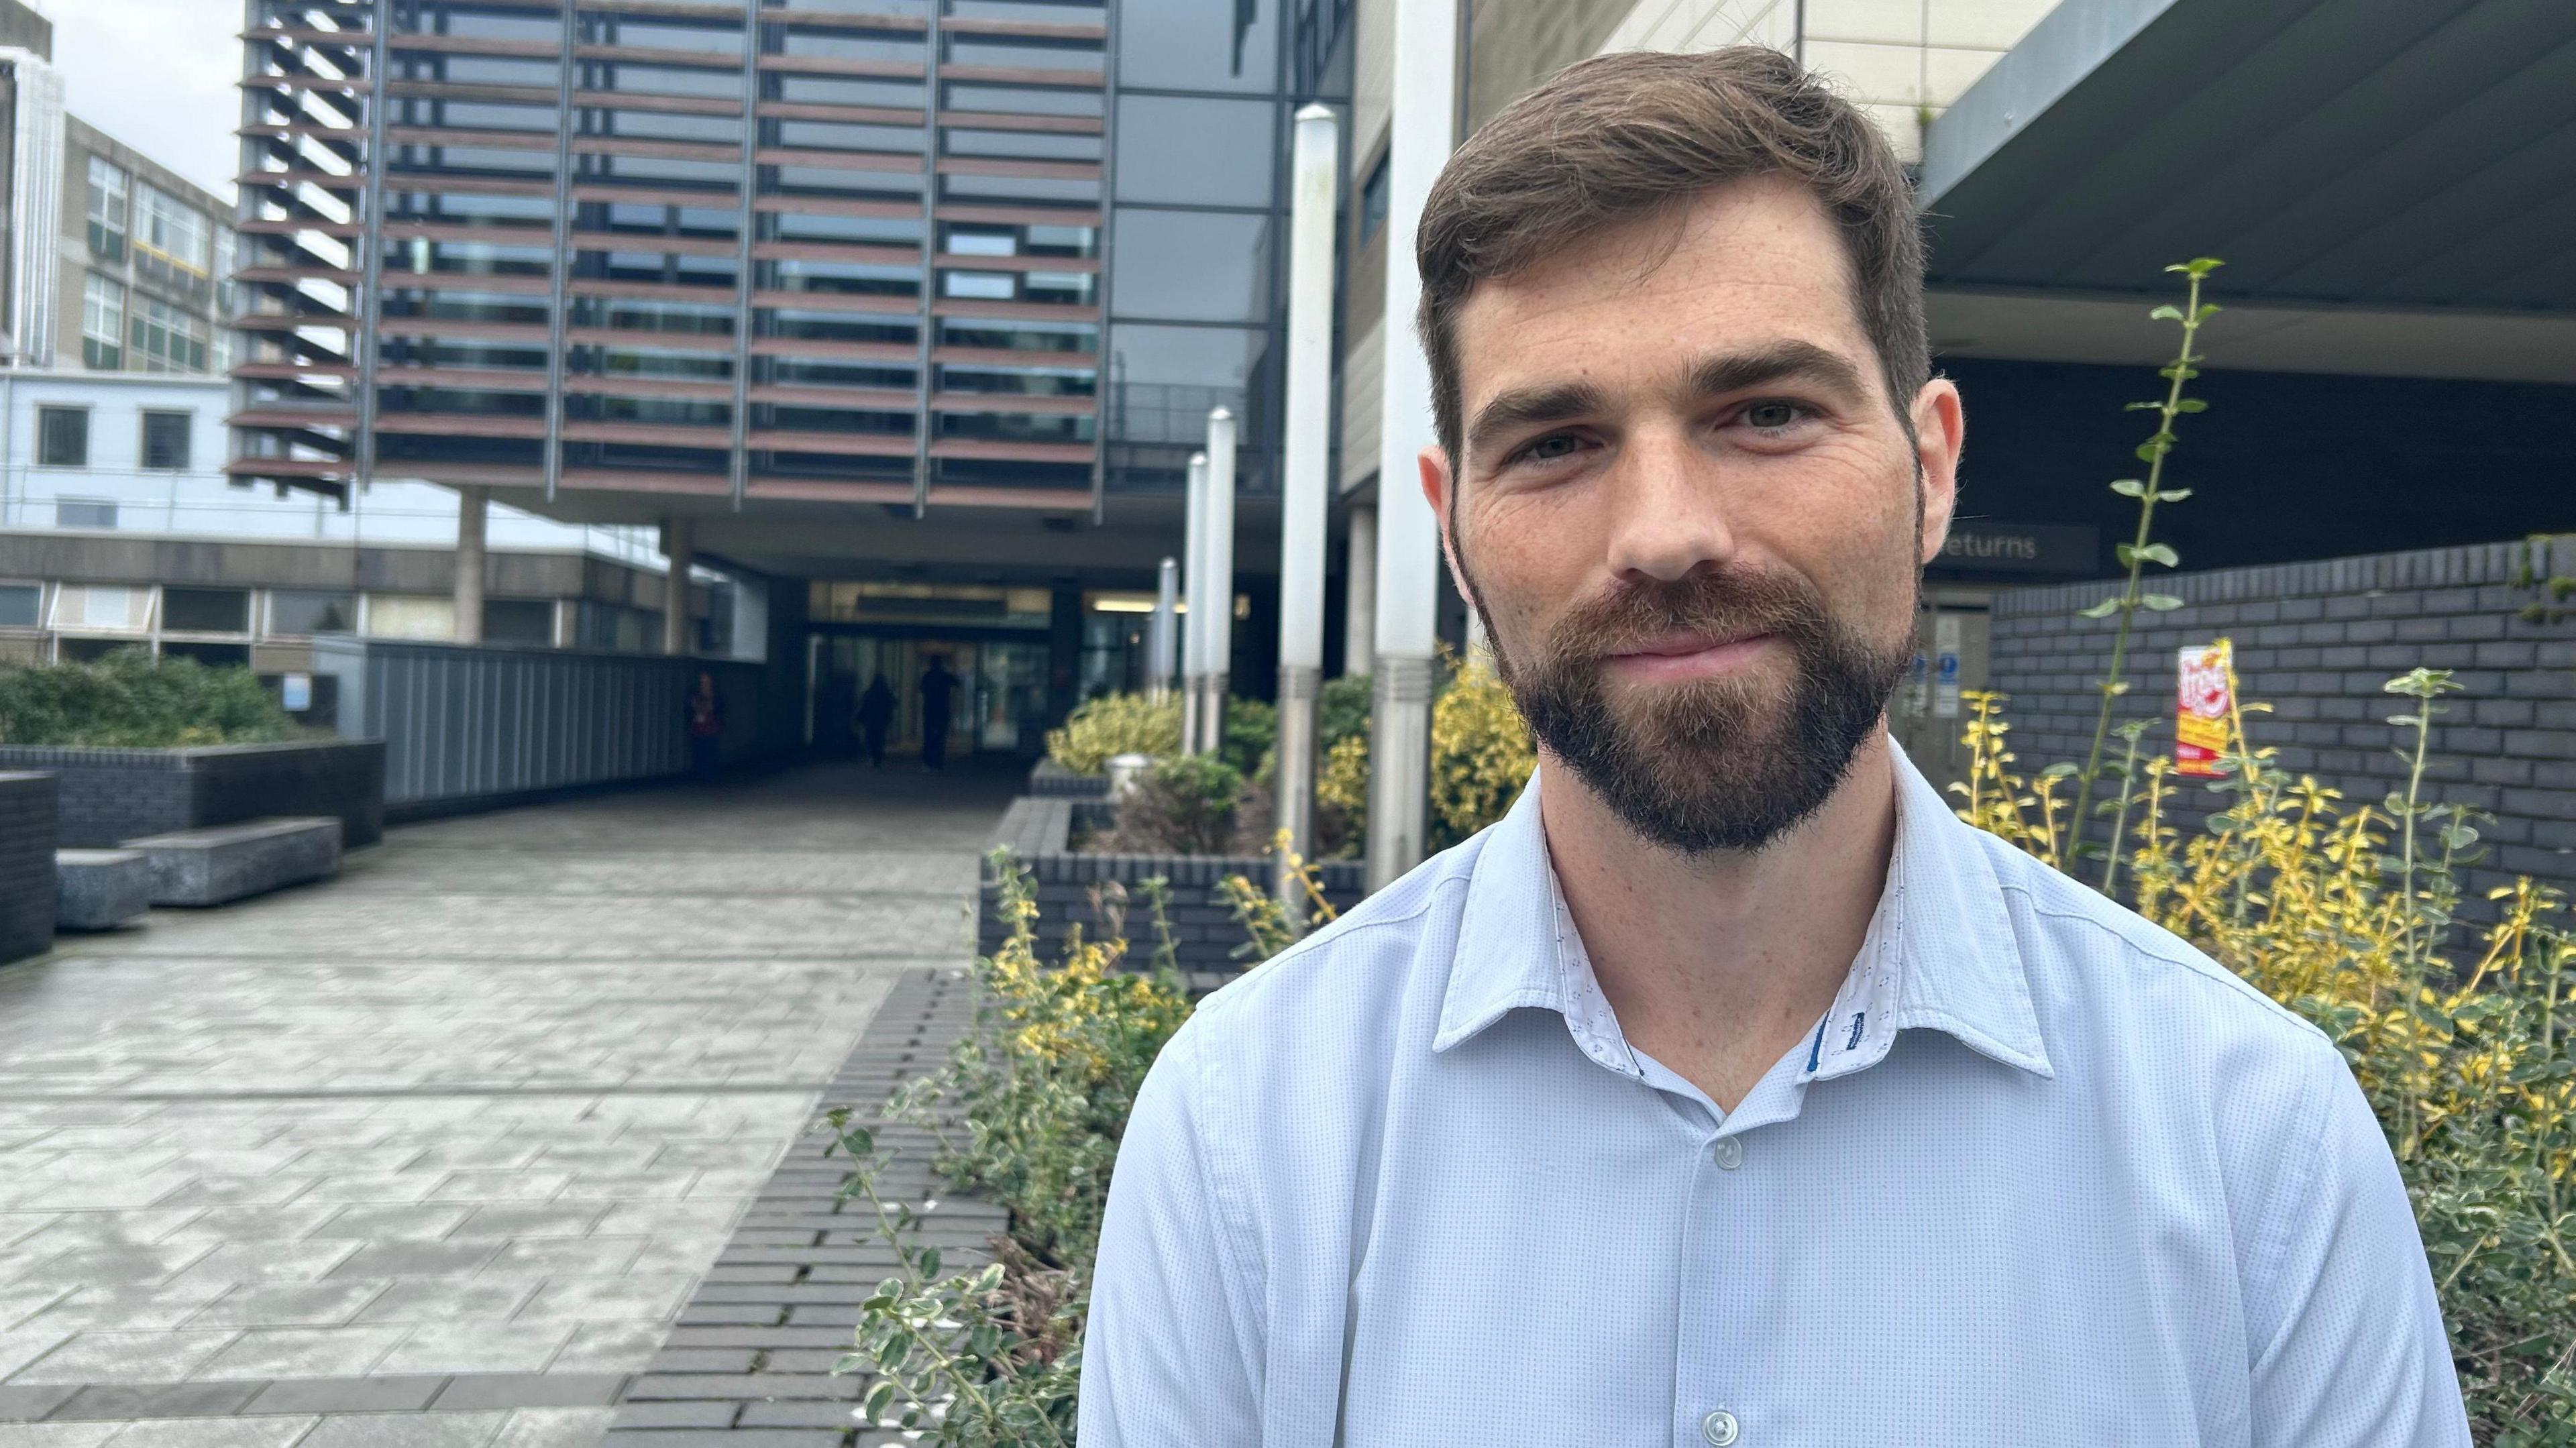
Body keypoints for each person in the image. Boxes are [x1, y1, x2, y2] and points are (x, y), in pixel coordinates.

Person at [1079, 48, 2467, 1447]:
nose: (1667, 531)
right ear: (1453, 533)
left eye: (1766, 413)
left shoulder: (2257, 1141)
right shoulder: (1244, 1135)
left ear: (1931, 467)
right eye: (1558, 442)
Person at [917, 655, 959, 771]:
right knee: (940, 738)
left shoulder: (928, 676)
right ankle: (938, 762)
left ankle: (928, 762)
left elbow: (922, 689)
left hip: (930, 710)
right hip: (942, 710)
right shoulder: (945, 676)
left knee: (928, 737)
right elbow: (957, 682)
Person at [855, 671, 896, 769]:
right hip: (882, 721)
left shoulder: (870, 692)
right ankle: (878, 759)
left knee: (870, 739)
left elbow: (863, 705)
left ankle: (873, 758)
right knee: (879, 740)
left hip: (870, 721)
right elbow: (893, 702)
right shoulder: (886, 693)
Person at [684, 671, 721, 779]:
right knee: (698, 751)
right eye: (702, 682)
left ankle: (709, 775)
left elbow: (718, 709)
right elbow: (690, 707)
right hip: (698, 727)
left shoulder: (715, 695)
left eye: (707, 681)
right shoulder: (694, 694)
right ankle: (699, 774)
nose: (705, 684)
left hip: (711, 726)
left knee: (710, 751)